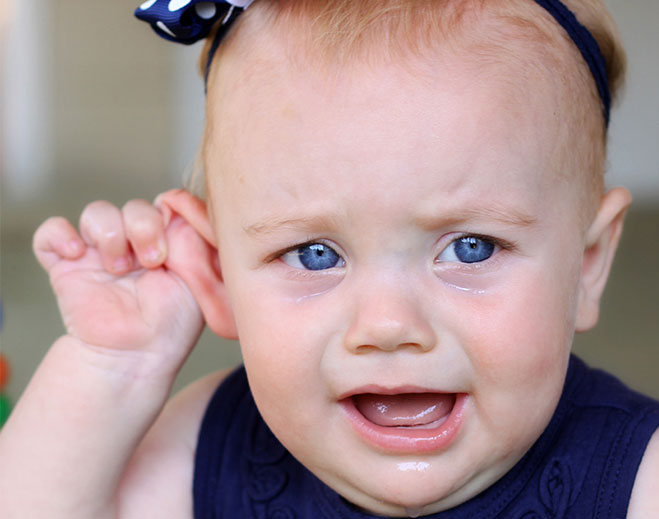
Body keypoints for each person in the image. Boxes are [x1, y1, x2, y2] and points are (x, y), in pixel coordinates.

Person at [1, 0, 658, 517]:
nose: (386, 324)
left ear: (587, 262)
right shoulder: (206, 448)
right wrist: (113, 367)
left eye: (469, 246)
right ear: (216, 268)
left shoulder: (638, 479)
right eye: (314, 254)